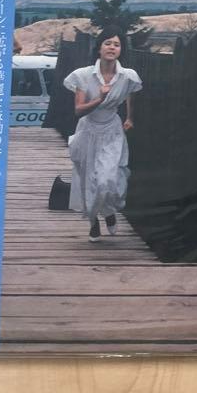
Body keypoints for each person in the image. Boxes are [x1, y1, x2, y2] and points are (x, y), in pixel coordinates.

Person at [63, 28, 143, 241]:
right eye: (107, 43)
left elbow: (131, 94)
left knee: (106, 179)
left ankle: (108, 211)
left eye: (116, 44)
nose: (112, 47)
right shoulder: (83, 75)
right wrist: (99, 98)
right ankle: (93, 222)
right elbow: (78, 110)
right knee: (87, 179)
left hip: (111, 131)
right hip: (88, 130)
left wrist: (129, 117)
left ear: (121, 50)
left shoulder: (128, 76)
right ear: (99, 48)